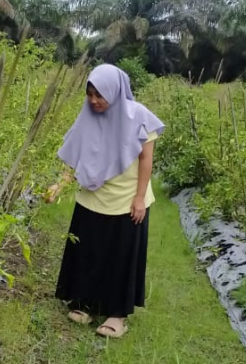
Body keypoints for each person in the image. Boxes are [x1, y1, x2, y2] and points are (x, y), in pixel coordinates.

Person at [47, 64, 164, 338]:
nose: (93, 101)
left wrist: (138, 198)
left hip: (126, 201)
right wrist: (59, 185)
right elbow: (75, 155)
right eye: (89, 95)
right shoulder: (87, 116)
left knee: (120, 257)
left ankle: (117, 314)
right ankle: (84, 302)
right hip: (92, 197)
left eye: (99, 95)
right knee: (89, 252)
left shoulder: (140, 117)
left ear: (114, 91)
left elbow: (146, 160)